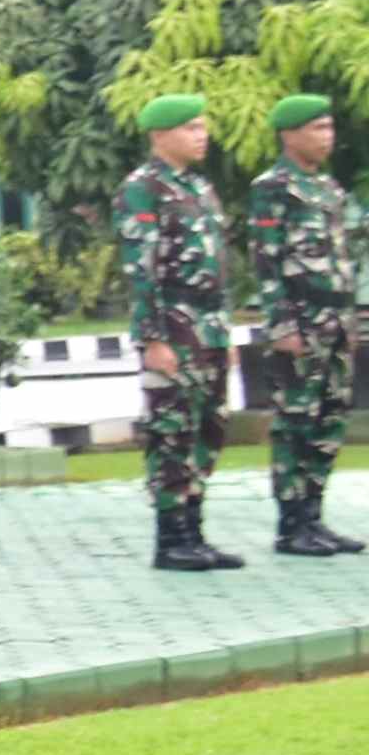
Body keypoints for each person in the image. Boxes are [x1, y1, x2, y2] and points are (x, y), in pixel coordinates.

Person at [118, 94, 241, 572]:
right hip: (173, 325)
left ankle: (195, 530)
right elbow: (141, 270)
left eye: (203, 127)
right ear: (159, 135)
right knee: (171, 430)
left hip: (208, 327)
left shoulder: (200, 188)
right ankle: (171, 538)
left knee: (209, 428)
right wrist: (153, 338)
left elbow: (220, 269)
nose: (201, 135)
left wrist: (224, 332)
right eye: (190, 128)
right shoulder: (142, 190)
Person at [250, 93, 361, 556]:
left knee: (329, 420)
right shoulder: (273, 187)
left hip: (334, 321)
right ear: (289, 135)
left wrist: (351, 318)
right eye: (317, 129)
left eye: (329, 127)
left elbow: (341, 258)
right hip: (300, 322)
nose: (327, 137)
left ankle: (315, 516)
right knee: (295, 422)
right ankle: (290, 523)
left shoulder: (328, 189)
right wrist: (281, 325)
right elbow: (266, 261)